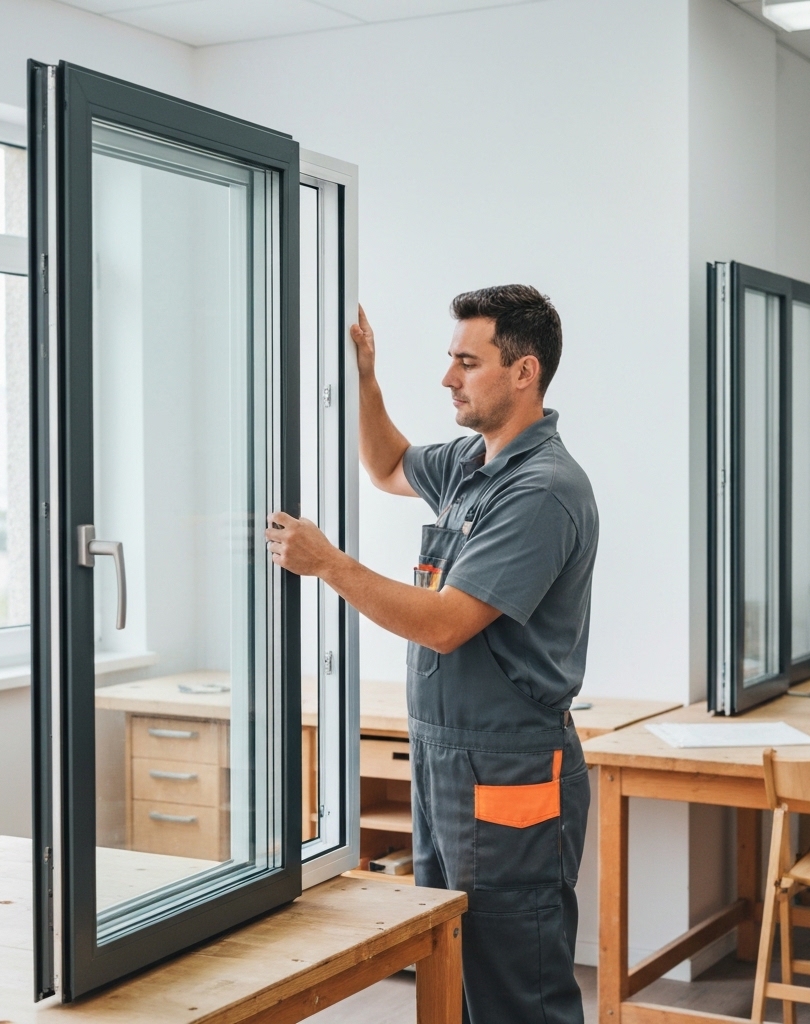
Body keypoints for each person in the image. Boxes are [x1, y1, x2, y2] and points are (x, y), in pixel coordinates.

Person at [266, 284, 598, 1024]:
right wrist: (365, 377)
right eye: (450, 360)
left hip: (508, 767)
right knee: (453, 965)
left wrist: (330, 565)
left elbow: (448, 625)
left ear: (524, 372)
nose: (448, 377)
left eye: (466, 362)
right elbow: (387, 466)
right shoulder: (473, 463)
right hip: (445, 758)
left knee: (517, 990)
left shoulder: (541, 490)